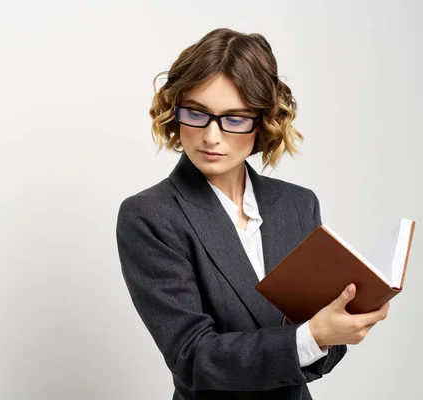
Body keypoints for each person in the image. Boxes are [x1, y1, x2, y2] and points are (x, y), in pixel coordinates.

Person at [115, 28, 390, 400]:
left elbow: (325, 342)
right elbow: (194, 358)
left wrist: (336, 326)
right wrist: (312, 336)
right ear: (174, 111)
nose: (212, 137)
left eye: (235, 118)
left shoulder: (297, 205)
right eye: (196, 113)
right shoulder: (150, 216)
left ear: (263, 121)